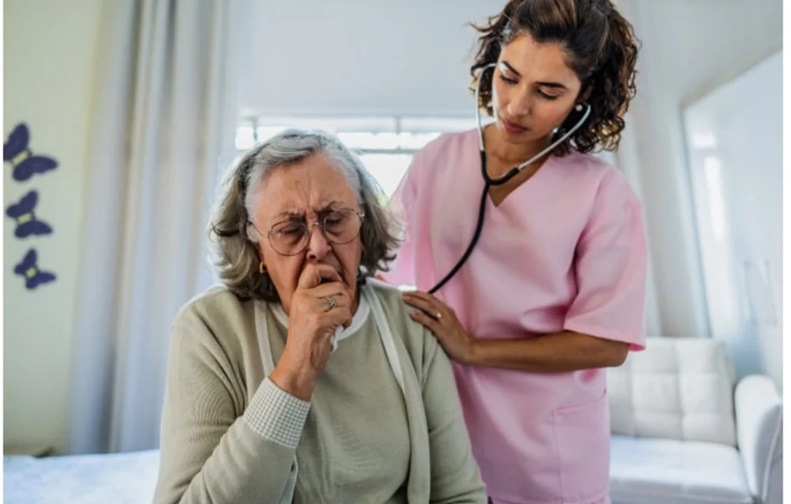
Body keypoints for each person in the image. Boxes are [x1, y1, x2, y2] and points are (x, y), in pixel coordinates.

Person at [383, 1, 647, 503]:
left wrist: (473, 348)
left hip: (550, 451)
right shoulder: (437, 161)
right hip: (448, 432)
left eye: (548, 92)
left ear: (585, 94)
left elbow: (606, 343)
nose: (516, 106)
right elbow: (380, 272)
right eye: (509, 76)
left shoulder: (602, 193)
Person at [154, 129, 486, 503]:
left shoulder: (410, 324)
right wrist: (295, 369)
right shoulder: (207, 329)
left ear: (363, 226)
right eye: (290, 229)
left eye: (335, 220)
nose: (318, 247)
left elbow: (458, 494)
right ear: (256, 246)